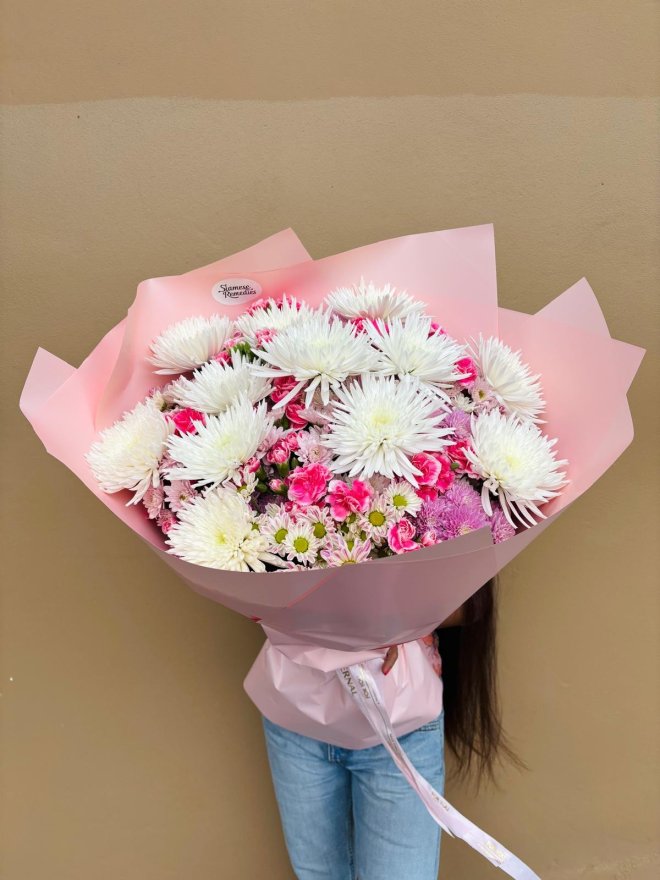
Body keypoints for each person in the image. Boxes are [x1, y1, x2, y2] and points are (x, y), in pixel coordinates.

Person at [261, 577, 523, 880]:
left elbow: (472, 603)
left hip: (401, 722)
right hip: (297, 717)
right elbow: (253, 584)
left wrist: (389, 623)